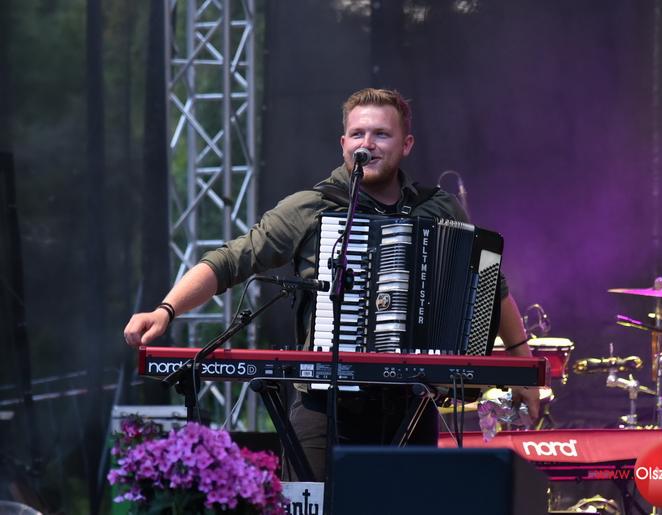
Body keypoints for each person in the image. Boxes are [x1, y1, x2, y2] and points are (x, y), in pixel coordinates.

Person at [124, 88, 540, 481]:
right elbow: (230, 259)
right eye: (358, 134)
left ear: (406, 144)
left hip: (412, 403)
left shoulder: (437, 208)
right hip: (323, 405)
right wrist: (166, 310)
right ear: (344, 144)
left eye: (381, 134)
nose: (367, 144)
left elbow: (490, 286)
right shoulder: (311, 208)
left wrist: (523, 368)